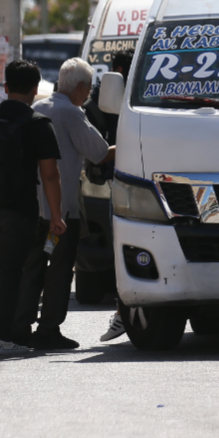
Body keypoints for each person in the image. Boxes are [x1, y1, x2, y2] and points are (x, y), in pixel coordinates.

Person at [0, 60, 62, 355]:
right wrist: (56, 215)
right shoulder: (38, 124)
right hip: (18, 210)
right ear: (35, 89)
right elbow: (50, 175)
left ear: (5, 88)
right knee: (11, 272)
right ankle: (2, 338)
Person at [16, 58, 114, 350]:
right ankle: (48, 329)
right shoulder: (72, 113)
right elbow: (98, 152)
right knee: (59, 271)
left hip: (32, 208)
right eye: (88, 89)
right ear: (82, 87)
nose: (88, 94)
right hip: (62, 211)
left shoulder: (37, 108)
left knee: (32, 267)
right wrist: (131, 144)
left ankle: (21, 326)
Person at [85, 51, 132, 343]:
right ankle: (122, 313)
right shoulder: (100, 105)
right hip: (114, 188)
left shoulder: (137, 99)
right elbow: (97, 153)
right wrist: (121, 147)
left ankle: (122, 313)